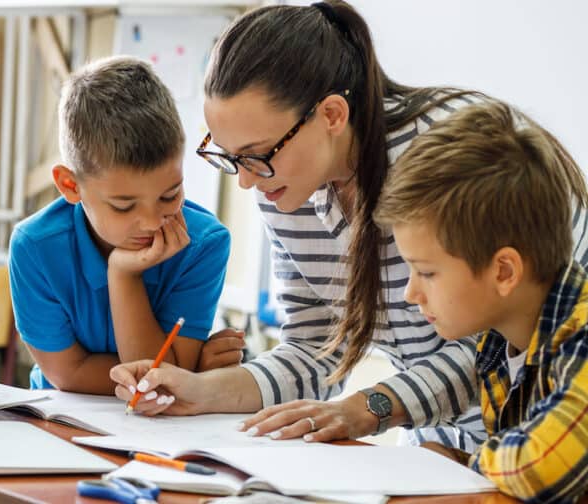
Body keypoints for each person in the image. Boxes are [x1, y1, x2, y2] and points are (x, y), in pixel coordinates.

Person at [111, 0, 588, 450]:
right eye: (231, 158)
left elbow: (499, 341)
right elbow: (317, 348)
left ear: (332, 115)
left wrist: (370, 406)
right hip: (440, 454)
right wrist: (202, 391)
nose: (246, 183)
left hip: (544, 436)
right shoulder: (284, 187)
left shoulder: (448, 162)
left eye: (257, 157)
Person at [373, 101, 588, 502]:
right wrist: (447, 459)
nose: (411, 293)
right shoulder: (498, 346)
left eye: (428, 272)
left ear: (504, 271)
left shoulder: (583, 337)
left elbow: (540, 467)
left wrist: (464, 464)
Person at [9, 56, 233, 393]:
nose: (153, 221)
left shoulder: (203, 244)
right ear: (71, 186)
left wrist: (123, 275)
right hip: (59, 422)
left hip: (162, 432)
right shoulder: (36, 247)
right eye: (124, 206)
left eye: (170, 195)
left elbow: (161, 382)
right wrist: (189, 369)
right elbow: (67, 375)